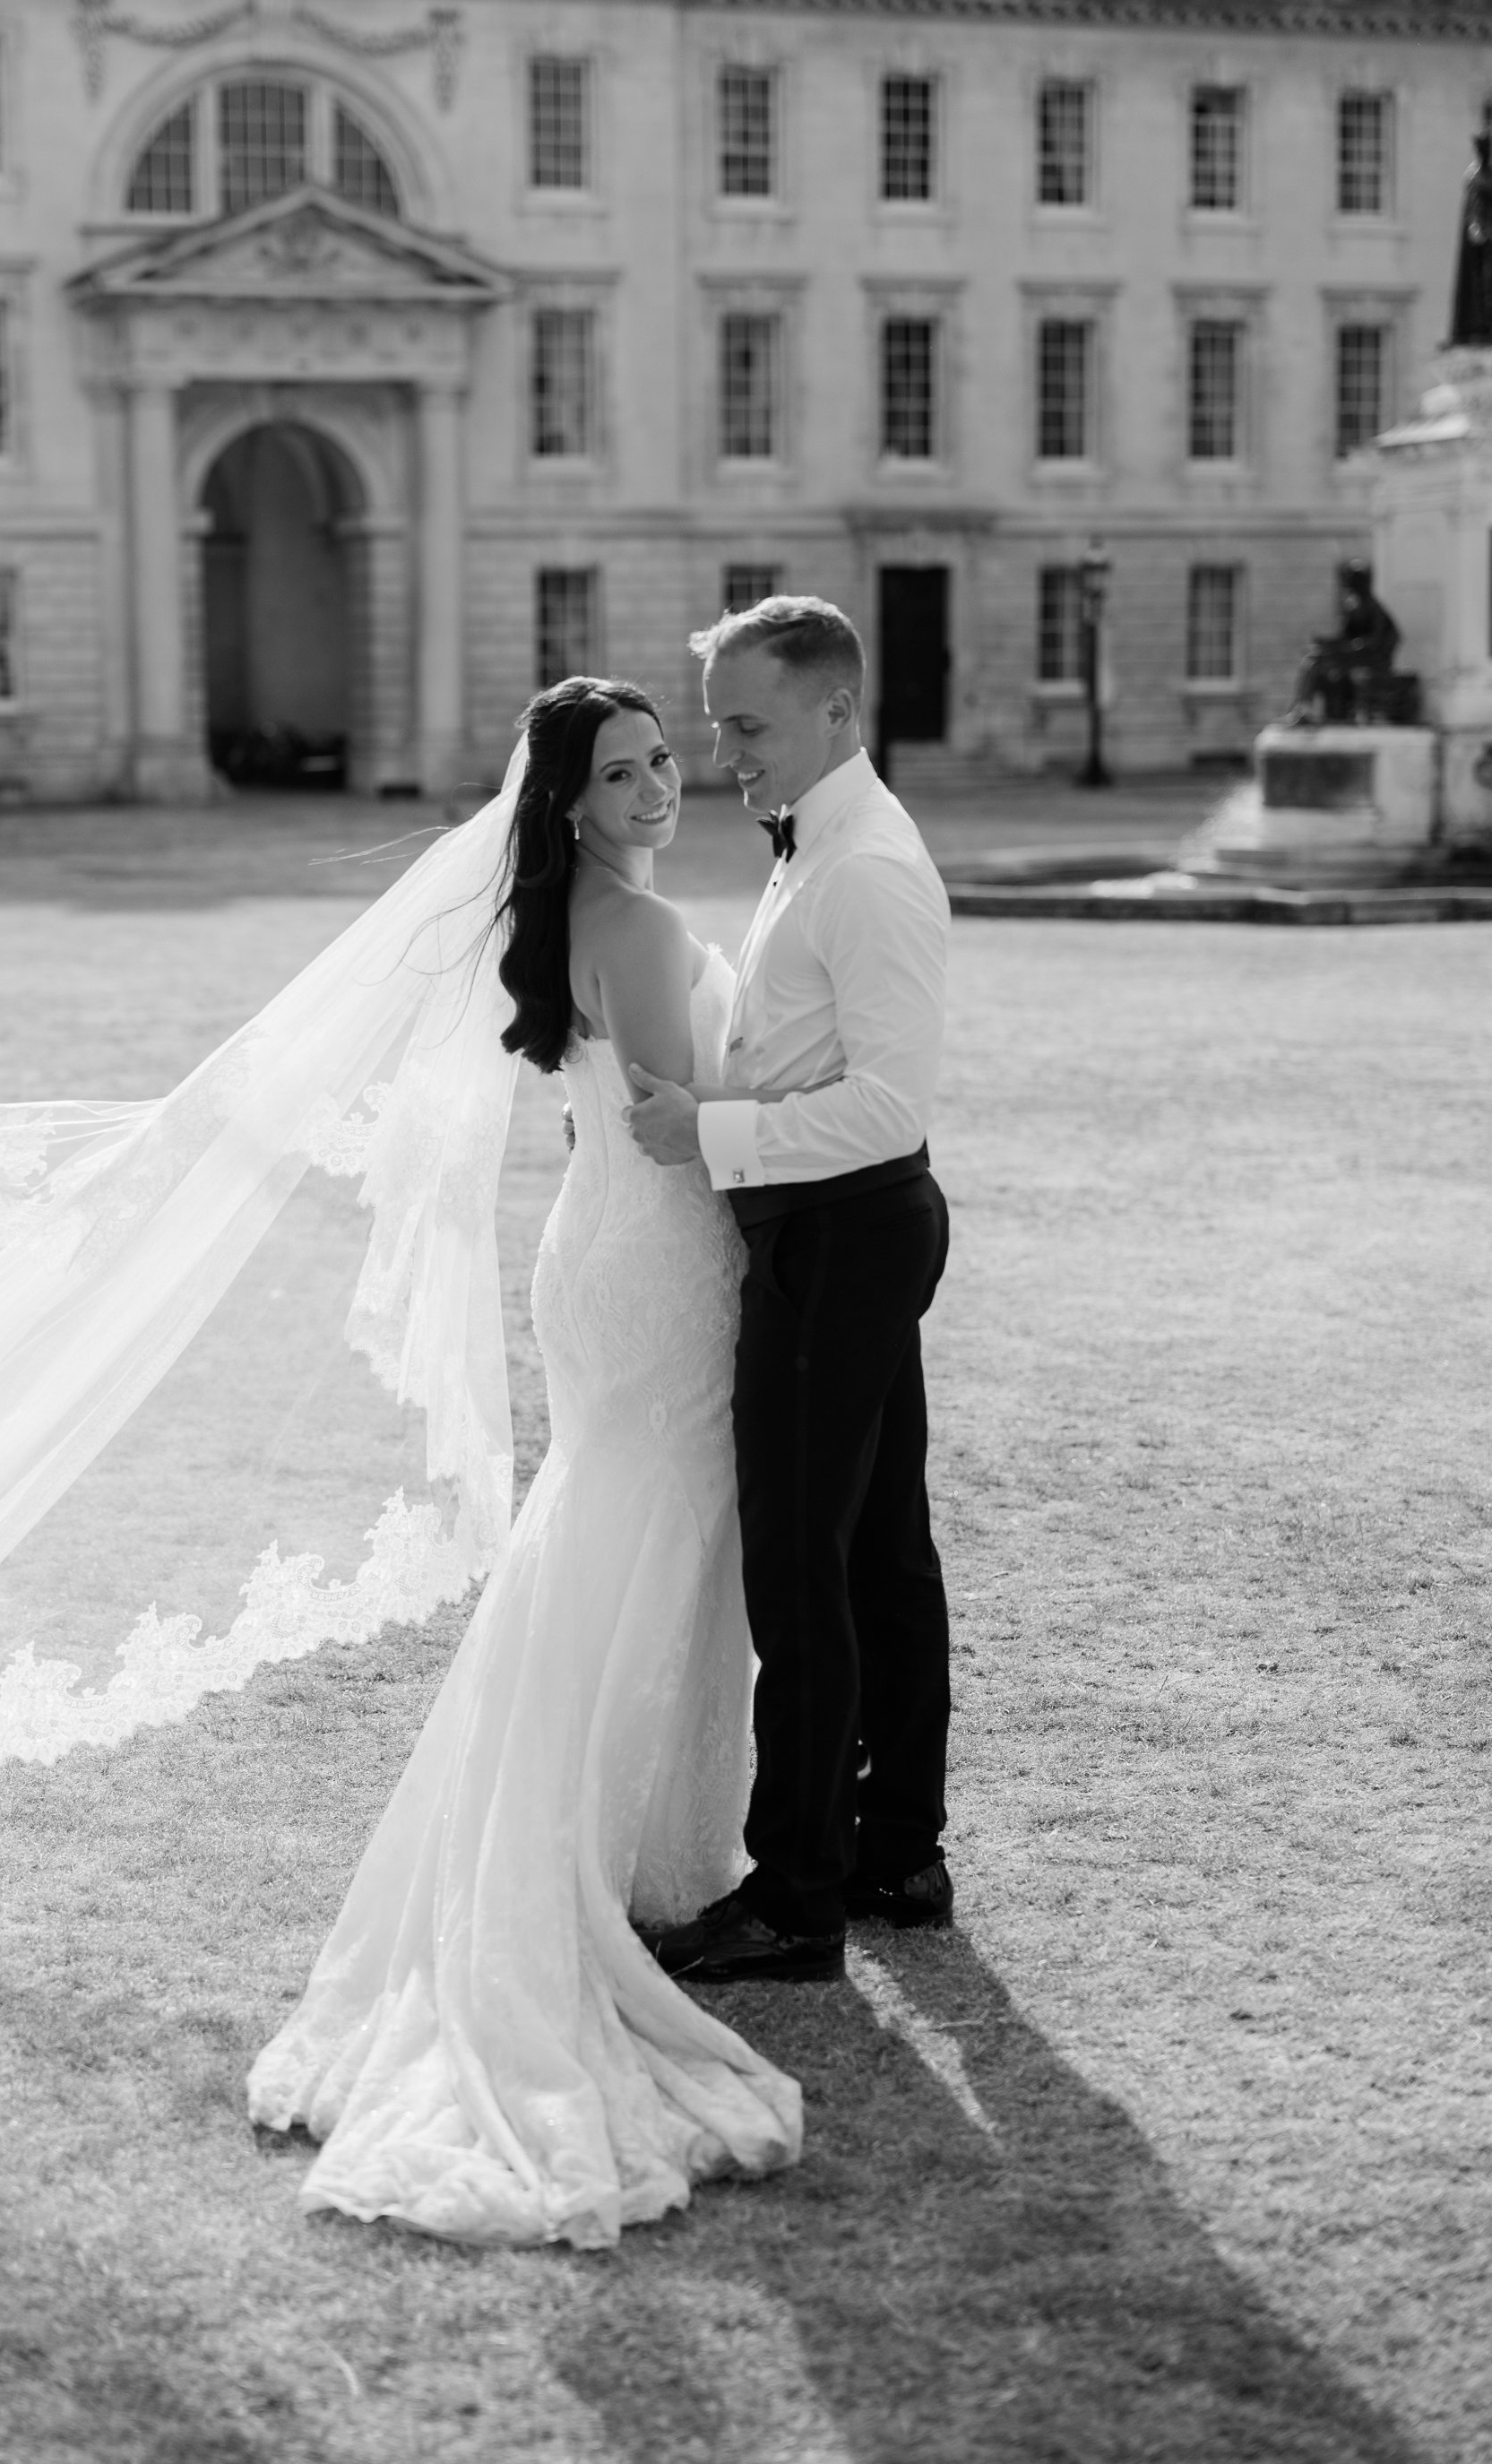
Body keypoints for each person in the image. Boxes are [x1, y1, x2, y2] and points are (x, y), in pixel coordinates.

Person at [246, 676, 802, 2244]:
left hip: (604, 1247)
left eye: (659, 766)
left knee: (621, 1526)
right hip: (660, 1259)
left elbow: (606, 1114)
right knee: (656, 1527)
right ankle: (609, 1844)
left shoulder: (581, 921)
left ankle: (628, 1834)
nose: (655, 791)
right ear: (562, 800)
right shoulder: (628, 929)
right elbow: (693, 1106)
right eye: (620, 775)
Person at [625, 597, 954, 1985]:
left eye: (747, 727)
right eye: (717, 729)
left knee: (801, 1563)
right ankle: (898, 1853)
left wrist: (708, 1134)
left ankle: (801, 1895)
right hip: (834, 1229)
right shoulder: (810, 845)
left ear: (834, 710)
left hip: (844, 1232)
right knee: (877, 1551)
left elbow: (887, 1106)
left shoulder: (867, 868)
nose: (725, 758)